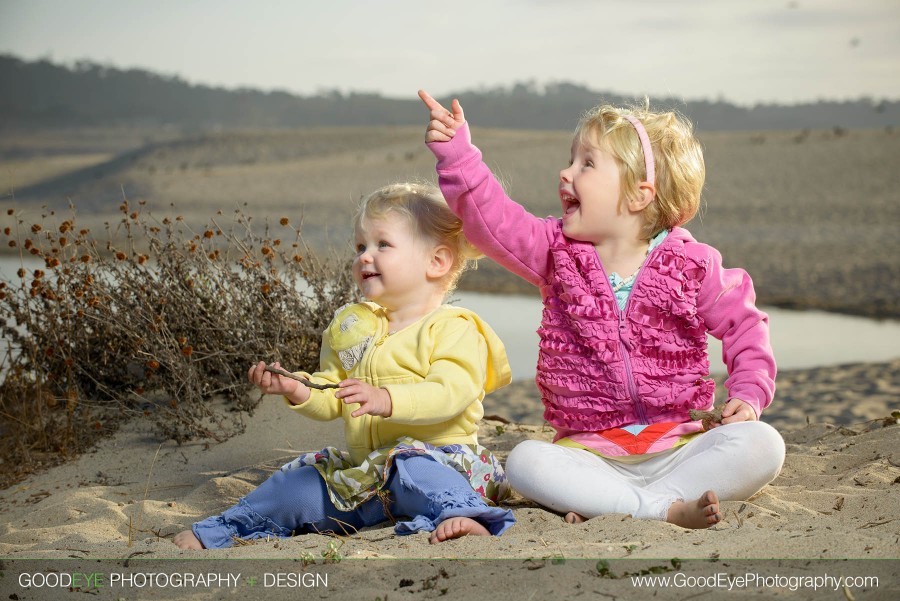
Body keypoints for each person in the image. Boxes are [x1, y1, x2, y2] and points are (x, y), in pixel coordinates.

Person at [418, 90, 785, 529]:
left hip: (678, 447)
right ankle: (658, 508)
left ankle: (637, 502)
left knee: (764, 443)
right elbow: (494, 220)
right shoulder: (554, 253)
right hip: (589, 454)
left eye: (586, 164)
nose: (566, 173)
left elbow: (746, 327)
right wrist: (459, 157)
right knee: (525, 462)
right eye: (571, 160)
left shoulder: (693, 263)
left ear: (638, 195)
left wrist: (747, 395)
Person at [173, 182, 515, 548]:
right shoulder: (353, 330)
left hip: (439, 461)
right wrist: (299, 387)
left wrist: (387, 399)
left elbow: (451, 393)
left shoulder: (453, 327)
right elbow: (334, 393)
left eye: (383, 244)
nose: (365, 256)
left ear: (436, 261)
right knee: (299, 484)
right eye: (360, 246)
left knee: (415, 470)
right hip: (365, 474)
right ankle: (231, 526)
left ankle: (461, 512)